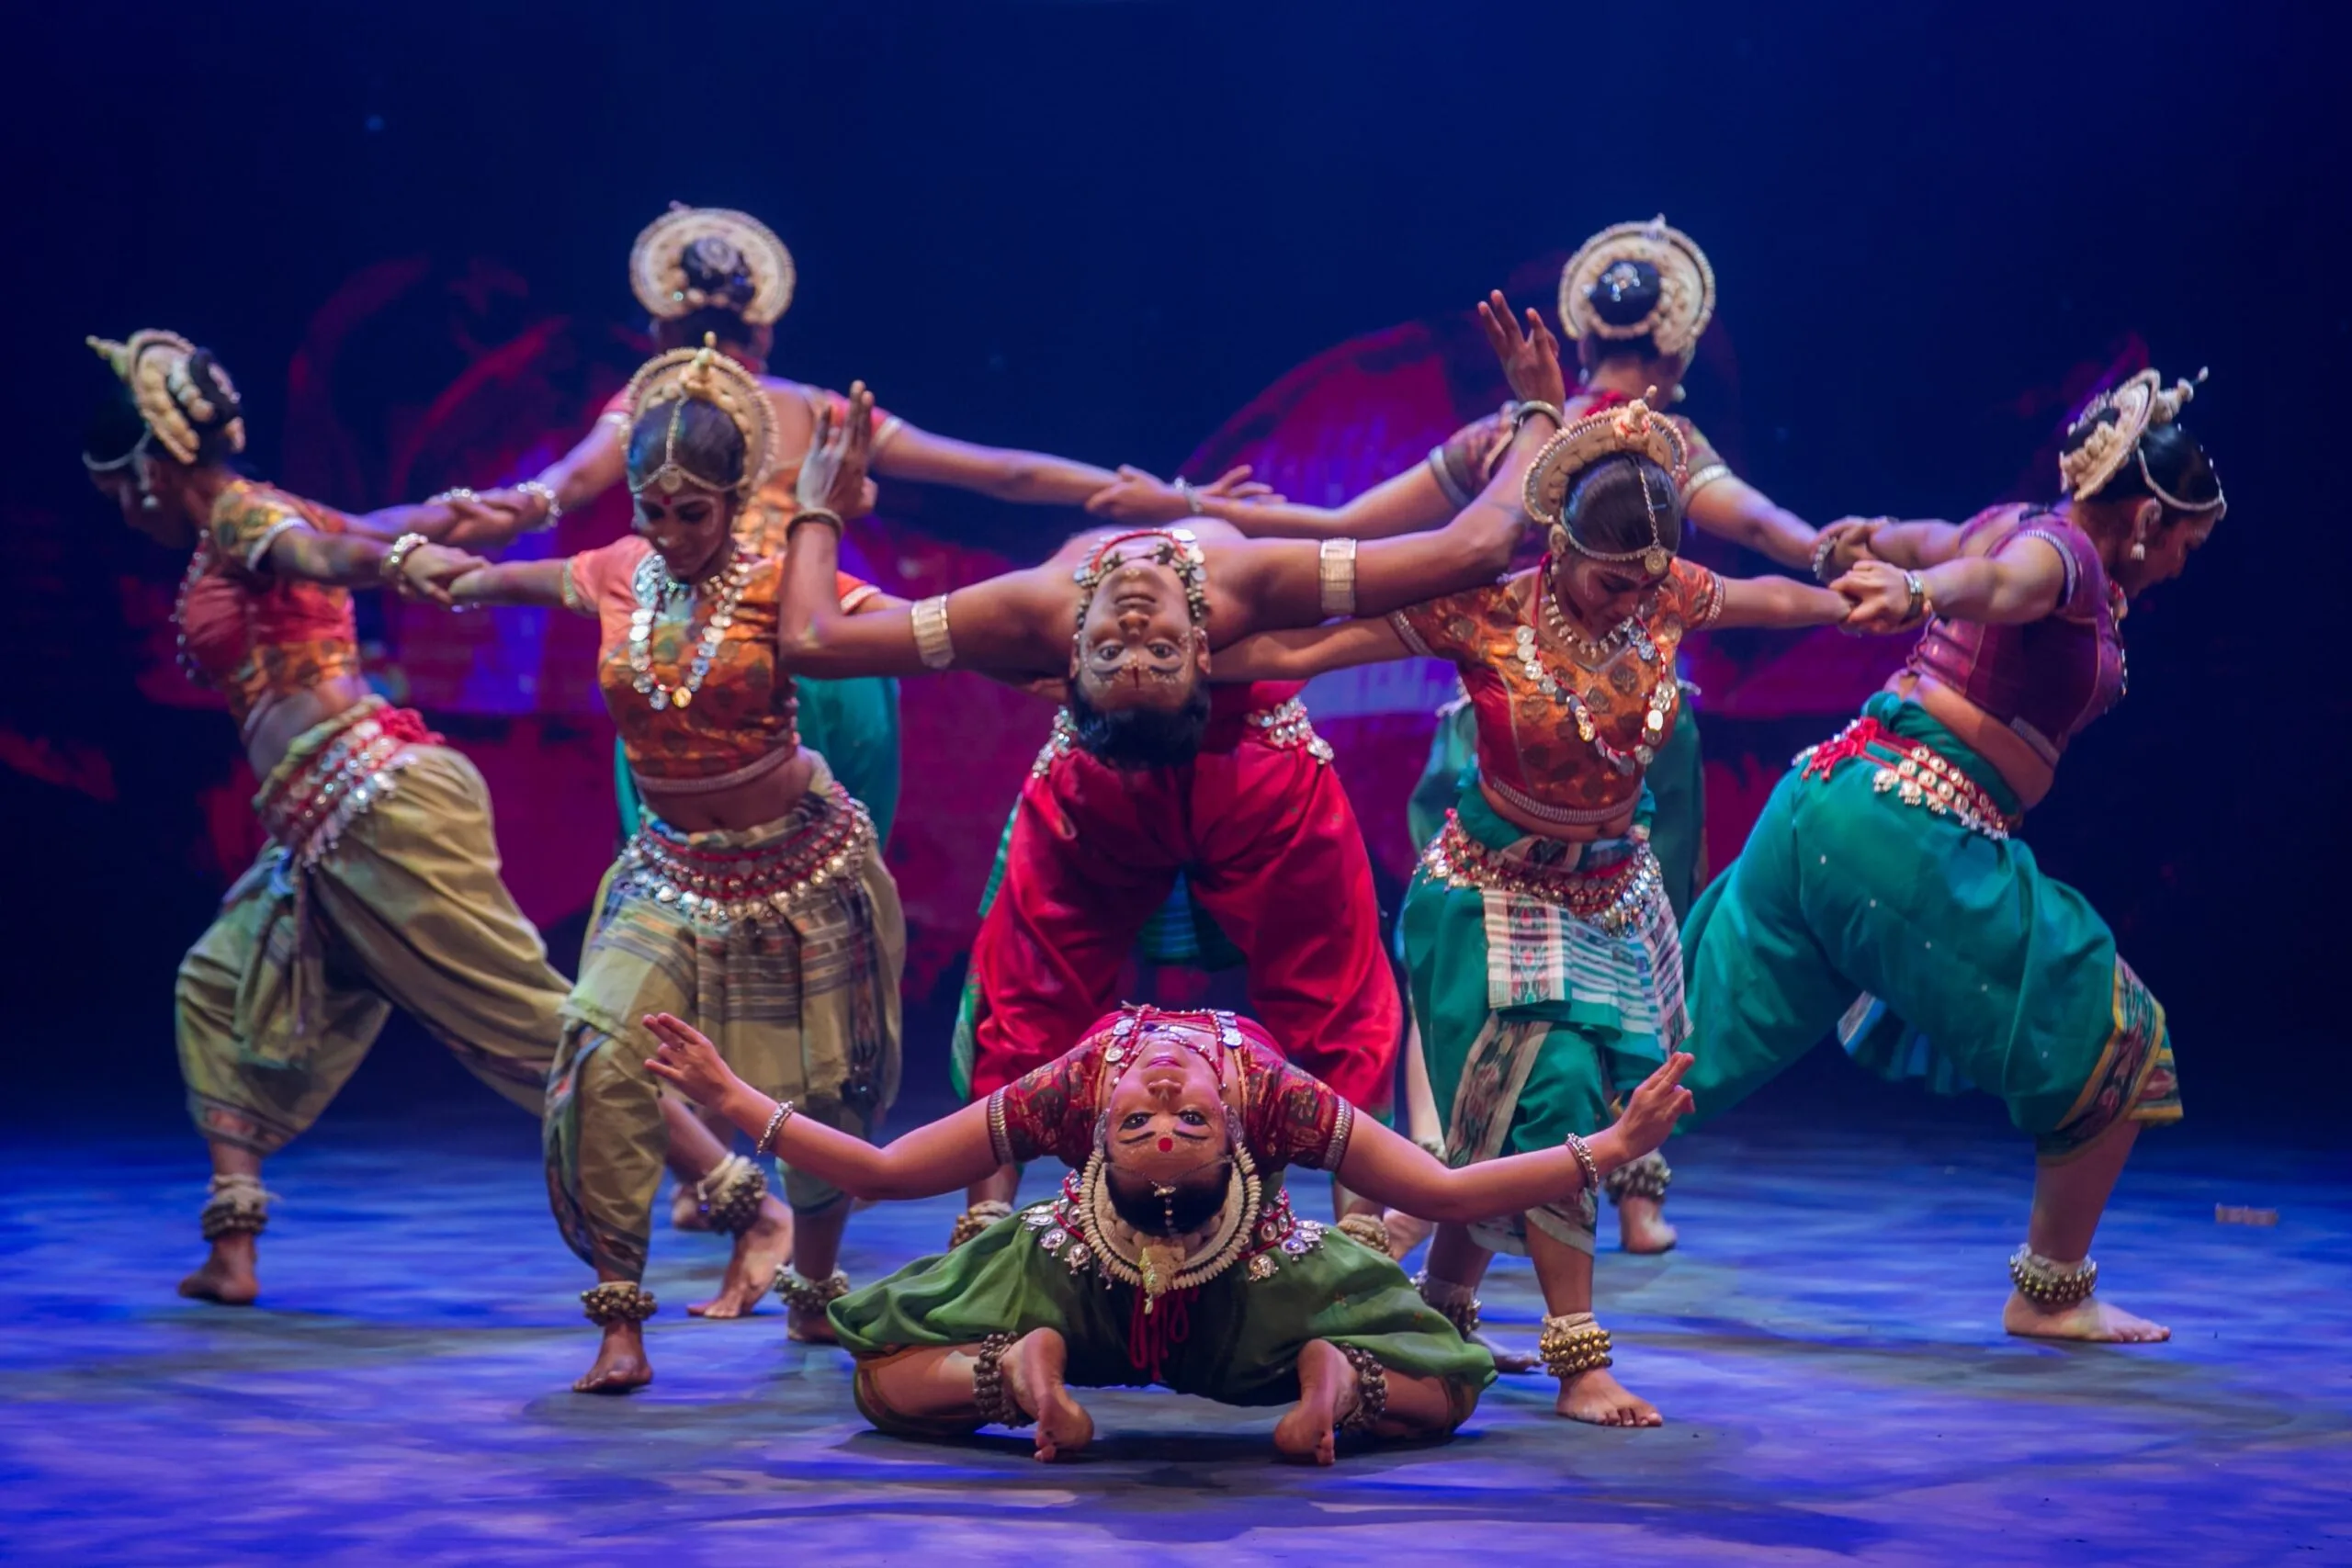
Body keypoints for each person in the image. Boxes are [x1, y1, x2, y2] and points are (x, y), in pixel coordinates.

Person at [1086, 217, 1823, 1252]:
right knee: (1492, 956)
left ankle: (1461, 1162)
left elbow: (1347, 522)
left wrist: (1187, 505)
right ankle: (1597, 1186)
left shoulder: (1512, 439)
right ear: (1683, 341)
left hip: (1560, 731)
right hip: (1558, 718)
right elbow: (1767, 535)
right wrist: (1841, 563)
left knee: (1591, 966)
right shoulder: (1643, 448)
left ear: (1577, 333)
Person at [767, 294, 1558, 1250]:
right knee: (1026, 1002)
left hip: (1242, 778)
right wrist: (1537, 417)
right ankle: (986, 1231)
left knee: (1330, 1001)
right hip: (1169, 785)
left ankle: (1353, 1244)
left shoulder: (1035, 610)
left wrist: (816, 504)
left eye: (1134, 654)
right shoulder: (1236, 590)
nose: (1137, 632)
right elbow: (1472, 544)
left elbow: (813, 636)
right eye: (1136, 655)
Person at [1208, 305, 1852, 1427]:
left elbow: (1770, 597)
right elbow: (1318, 645)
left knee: (1524, 1119)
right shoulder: (1488, 613)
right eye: (1613, 578)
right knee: (1547, 1099)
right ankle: (1578, 1360)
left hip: (1614, 898)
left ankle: (1445, 1311)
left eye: (1650, 579)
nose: (1633, 598)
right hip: (1493, 903)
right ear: (1558, 543)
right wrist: (1187, 652)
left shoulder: (1669, 595)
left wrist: (1861, 595)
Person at [1681, 367, 2222, 1346]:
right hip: (1908, 825)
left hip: (1825, 798)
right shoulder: (2061, 560)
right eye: (2186, 539)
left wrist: (1866, 545)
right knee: (2120, 1033)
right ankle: (2051, 1292)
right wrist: (1920, 589)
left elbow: (1928, 542)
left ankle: (1458, 1188)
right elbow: (1993, 584)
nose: (2184, 563)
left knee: (1677, 1053)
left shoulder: (2012, 520)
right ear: (2143, 516)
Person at [641, 1002, 1696, 1463]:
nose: (1158, 1098)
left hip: (1076, 1290)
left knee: (882, 1380)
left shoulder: (1075, 1087)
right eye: (1162, 1121)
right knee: (1444, 1385)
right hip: (1267, 1310)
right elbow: (1448, 1192)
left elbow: (880, 1172)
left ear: (1093, 1141)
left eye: (1166, 1121)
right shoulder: (1271, 1093)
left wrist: (730, 1092)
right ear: (1236, 1138)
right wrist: (1609, 1141)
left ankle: (1019, 1375)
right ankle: (1335, 1381)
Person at [447, 339, 904, 1391]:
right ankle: (620, 1322)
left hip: (798, 871)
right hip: (668, 874)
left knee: (824, 1094)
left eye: (688, 512)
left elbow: (892, 627)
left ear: (736, 496)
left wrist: (1035, 650)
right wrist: (436, 570)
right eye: (651, 511)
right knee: (598, 1055)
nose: (666, 533)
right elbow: (524, 577)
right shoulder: (622, 568)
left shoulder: (787, 570)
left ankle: (816, 1296)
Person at [82, 330, 571, 1307]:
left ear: (146, 471)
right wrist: (468, 519)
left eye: (114, 489)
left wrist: (396, 560)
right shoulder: (257, 513)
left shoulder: (245, 517)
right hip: (318, 819)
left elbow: (328, 550)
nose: (120, 510)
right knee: (218, 983)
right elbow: (383, 520)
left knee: (520, 1020)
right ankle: (234, 1245)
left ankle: (733, 1194)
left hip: (375, 800)